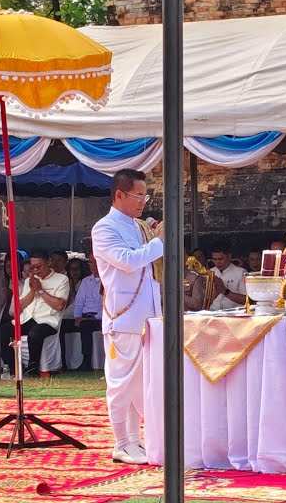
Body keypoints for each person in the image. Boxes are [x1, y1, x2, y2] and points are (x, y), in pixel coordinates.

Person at [92, 168, 164, 465]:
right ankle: (121, 443)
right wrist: (159, 241)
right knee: (121, 382)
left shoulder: (136, 227)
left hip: (148, 315)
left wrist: (152, 237)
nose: (143, 201)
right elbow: (127, 261)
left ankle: (136, 440)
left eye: (145, 195)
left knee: (141, 383)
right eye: (138, 195)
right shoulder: (105, 228)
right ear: (119, 194)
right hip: (123, 316)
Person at [0, 252, 69, 377]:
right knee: (1, 332)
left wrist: (40, 290)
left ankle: (32, 370)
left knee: (35, 333)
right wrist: (32, 291)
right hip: (26, 319)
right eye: (33, 267)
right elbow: (19, 307)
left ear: (48, 263)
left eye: (39, 266)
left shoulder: (61, 279)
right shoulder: (28, 281)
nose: (35, 270)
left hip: (47, 320)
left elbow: (59, 305)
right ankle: (14, 368)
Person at [68, 257, 103, 371]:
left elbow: (109, 305)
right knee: (63, 325)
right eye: (90, 262)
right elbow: (79, 302)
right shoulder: (86, 281)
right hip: (85, 315)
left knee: (86, 326)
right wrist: (77, 316)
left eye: (95, 262)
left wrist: (95, 317)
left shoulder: (108, 280)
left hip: (100, 317)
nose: (93, 265)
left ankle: (86, 361)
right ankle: (63, 363)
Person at [208, 244, 248, 311]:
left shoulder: (241, 273)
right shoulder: (210, 272)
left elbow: (246, 300)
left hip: (234, 314)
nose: (218, 262)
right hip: (213, 312)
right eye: (214, 259)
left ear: (229, 256)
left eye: (220, 259)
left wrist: (224, 291)